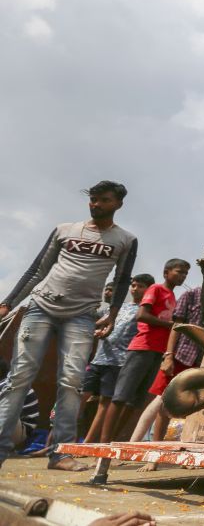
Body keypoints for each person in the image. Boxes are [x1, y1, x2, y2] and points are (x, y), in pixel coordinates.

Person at [0, 181, 137, 471]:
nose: (96, 204)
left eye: (104, 200)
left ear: (118, 204)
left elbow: (123, 279)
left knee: (72, 383)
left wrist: (112, 315)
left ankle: (60, 453)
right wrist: (9, 302)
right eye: (94, 199)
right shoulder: (65, 230)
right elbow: (38, 269)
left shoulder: (125, 239)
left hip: (82, 315)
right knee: (19, 378)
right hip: (41, 307)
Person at [92, 259, 188, 483]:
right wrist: (172, 327)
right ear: (166, 272)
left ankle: (115, 440)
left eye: (185, 273)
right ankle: (105, 447)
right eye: (179, 272)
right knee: (120, 397)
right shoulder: (156, 289)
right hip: (142, 347)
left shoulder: (173, 297)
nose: (182, 276)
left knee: (135, 401)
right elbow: (141, 316)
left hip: (158, 351)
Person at [134, 283, 204, 472]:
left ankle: (186, 457)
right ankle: (153, 456)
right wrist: (168, 356)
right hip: (181, 356)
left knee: (195, 409)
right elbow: (176, 327)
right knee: (163, 405)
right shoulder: (191, 295)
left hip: (203, 360)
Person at [82, 274, 154, 443]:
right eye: (134, 285)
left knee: (104, 404)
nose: (135, 289)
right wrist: (99, 332)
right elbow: (102, 323)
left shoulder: (146, 312)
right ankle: (60, 441)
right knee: (79, 397)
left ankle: (88, 443)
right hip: (98, 359)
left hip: (119, 362)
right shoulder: (118, 308)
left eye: (140, 286)